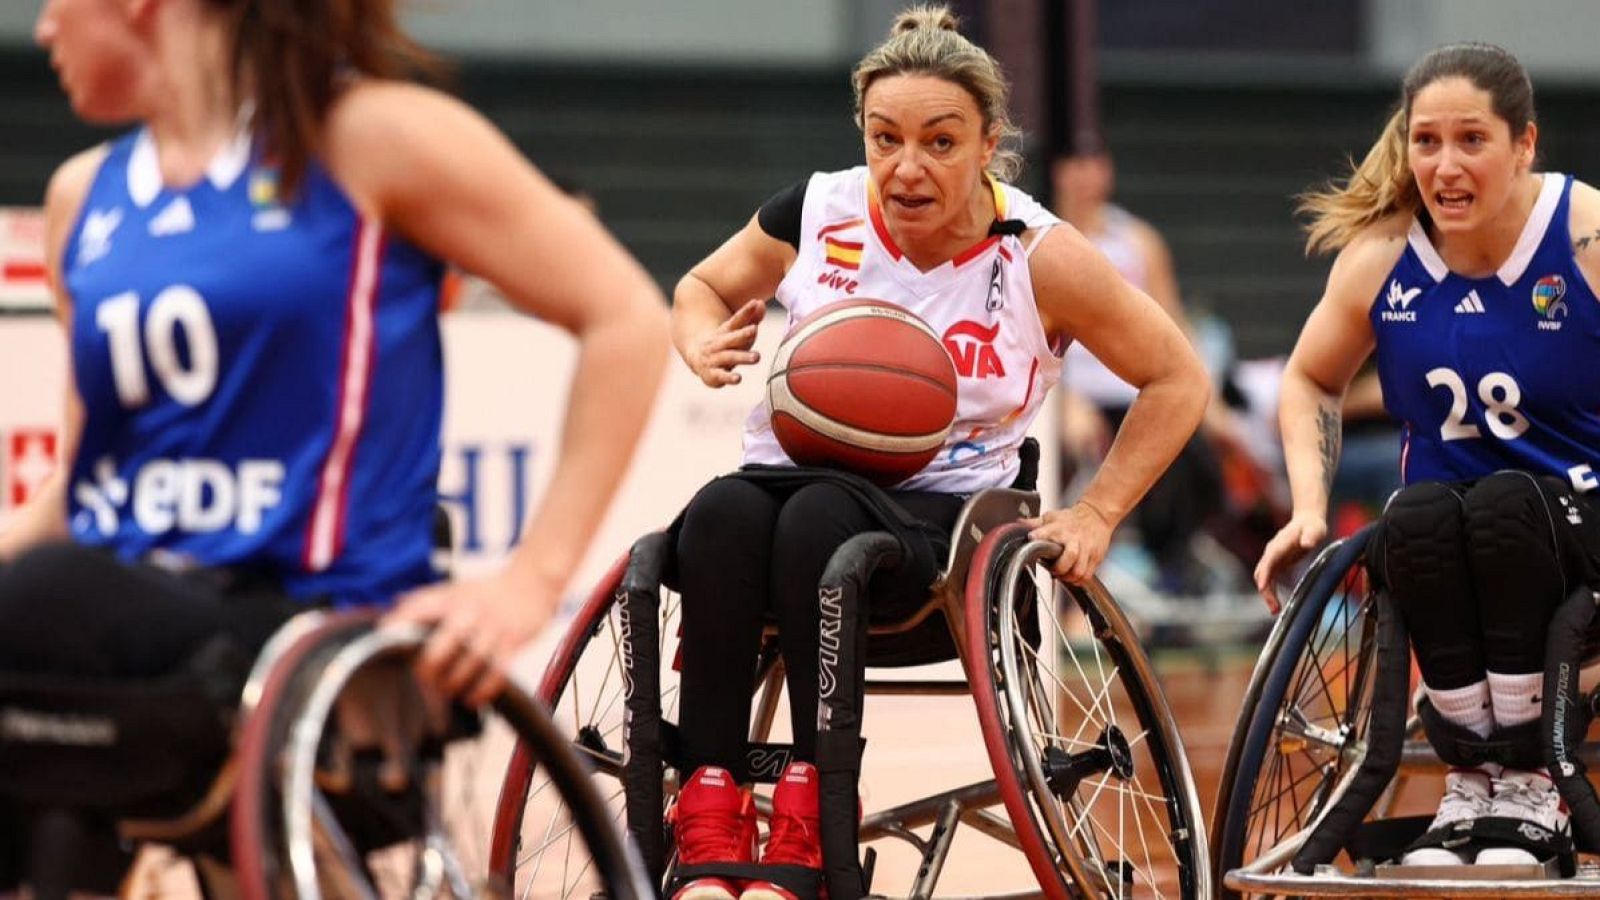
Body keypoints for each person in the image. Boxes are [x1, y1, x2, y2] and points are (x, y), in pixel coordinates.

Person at [0, 0, 669, 890]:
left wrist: (529, 580)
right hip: (126, 621)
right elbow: (83, 484)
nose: (42, 28)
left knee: (47, 600)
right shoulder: (85, 197)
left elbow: (624, 315)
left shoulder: (371, 137)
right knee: (46, 611)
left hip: (312, 627)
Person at [666, 7, 1207, 899]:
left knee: (818, 523)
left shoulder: (1040, 258)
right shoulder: (819, 210)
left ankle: (810, 805)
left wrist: (1098, 510)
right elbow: (704, 286)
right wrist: (697, 337)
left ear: (988, 143)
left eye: (939, 142)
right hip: (791, 472)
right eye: (886, 139)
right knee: (720, 514)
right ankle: (709, 798)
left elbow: (1177, 378)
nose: (906, 167)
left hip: (942, 517)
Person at [1255, 41, 1600, 867]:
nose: (1445, 165)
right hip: (1443, 539)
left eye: (1472, 140)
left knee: (1508, 506)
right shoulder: (1381, 257)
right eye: (1427, 141)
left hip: (1578, 530)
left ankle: (1531, 781)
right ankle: (1469, 779)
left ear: (1524, 144)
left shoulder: (1583, 233)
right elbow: (1307, 379)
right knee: (1413, 514)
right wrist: (1308, 506)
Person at [1053, 145, 1233, 599]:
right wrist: (1064, 402)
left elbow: (1172, 319)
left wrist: (1208, 402)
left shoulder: (1138, 240)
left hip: (1137, 385)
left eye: (1094, 162)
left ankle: (1173, 561)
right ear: (1057, 173)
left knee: (1194, 447)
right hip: (1078, 397)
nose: (1085, 175)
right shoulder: (1045, 241)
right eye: (1075, 163)